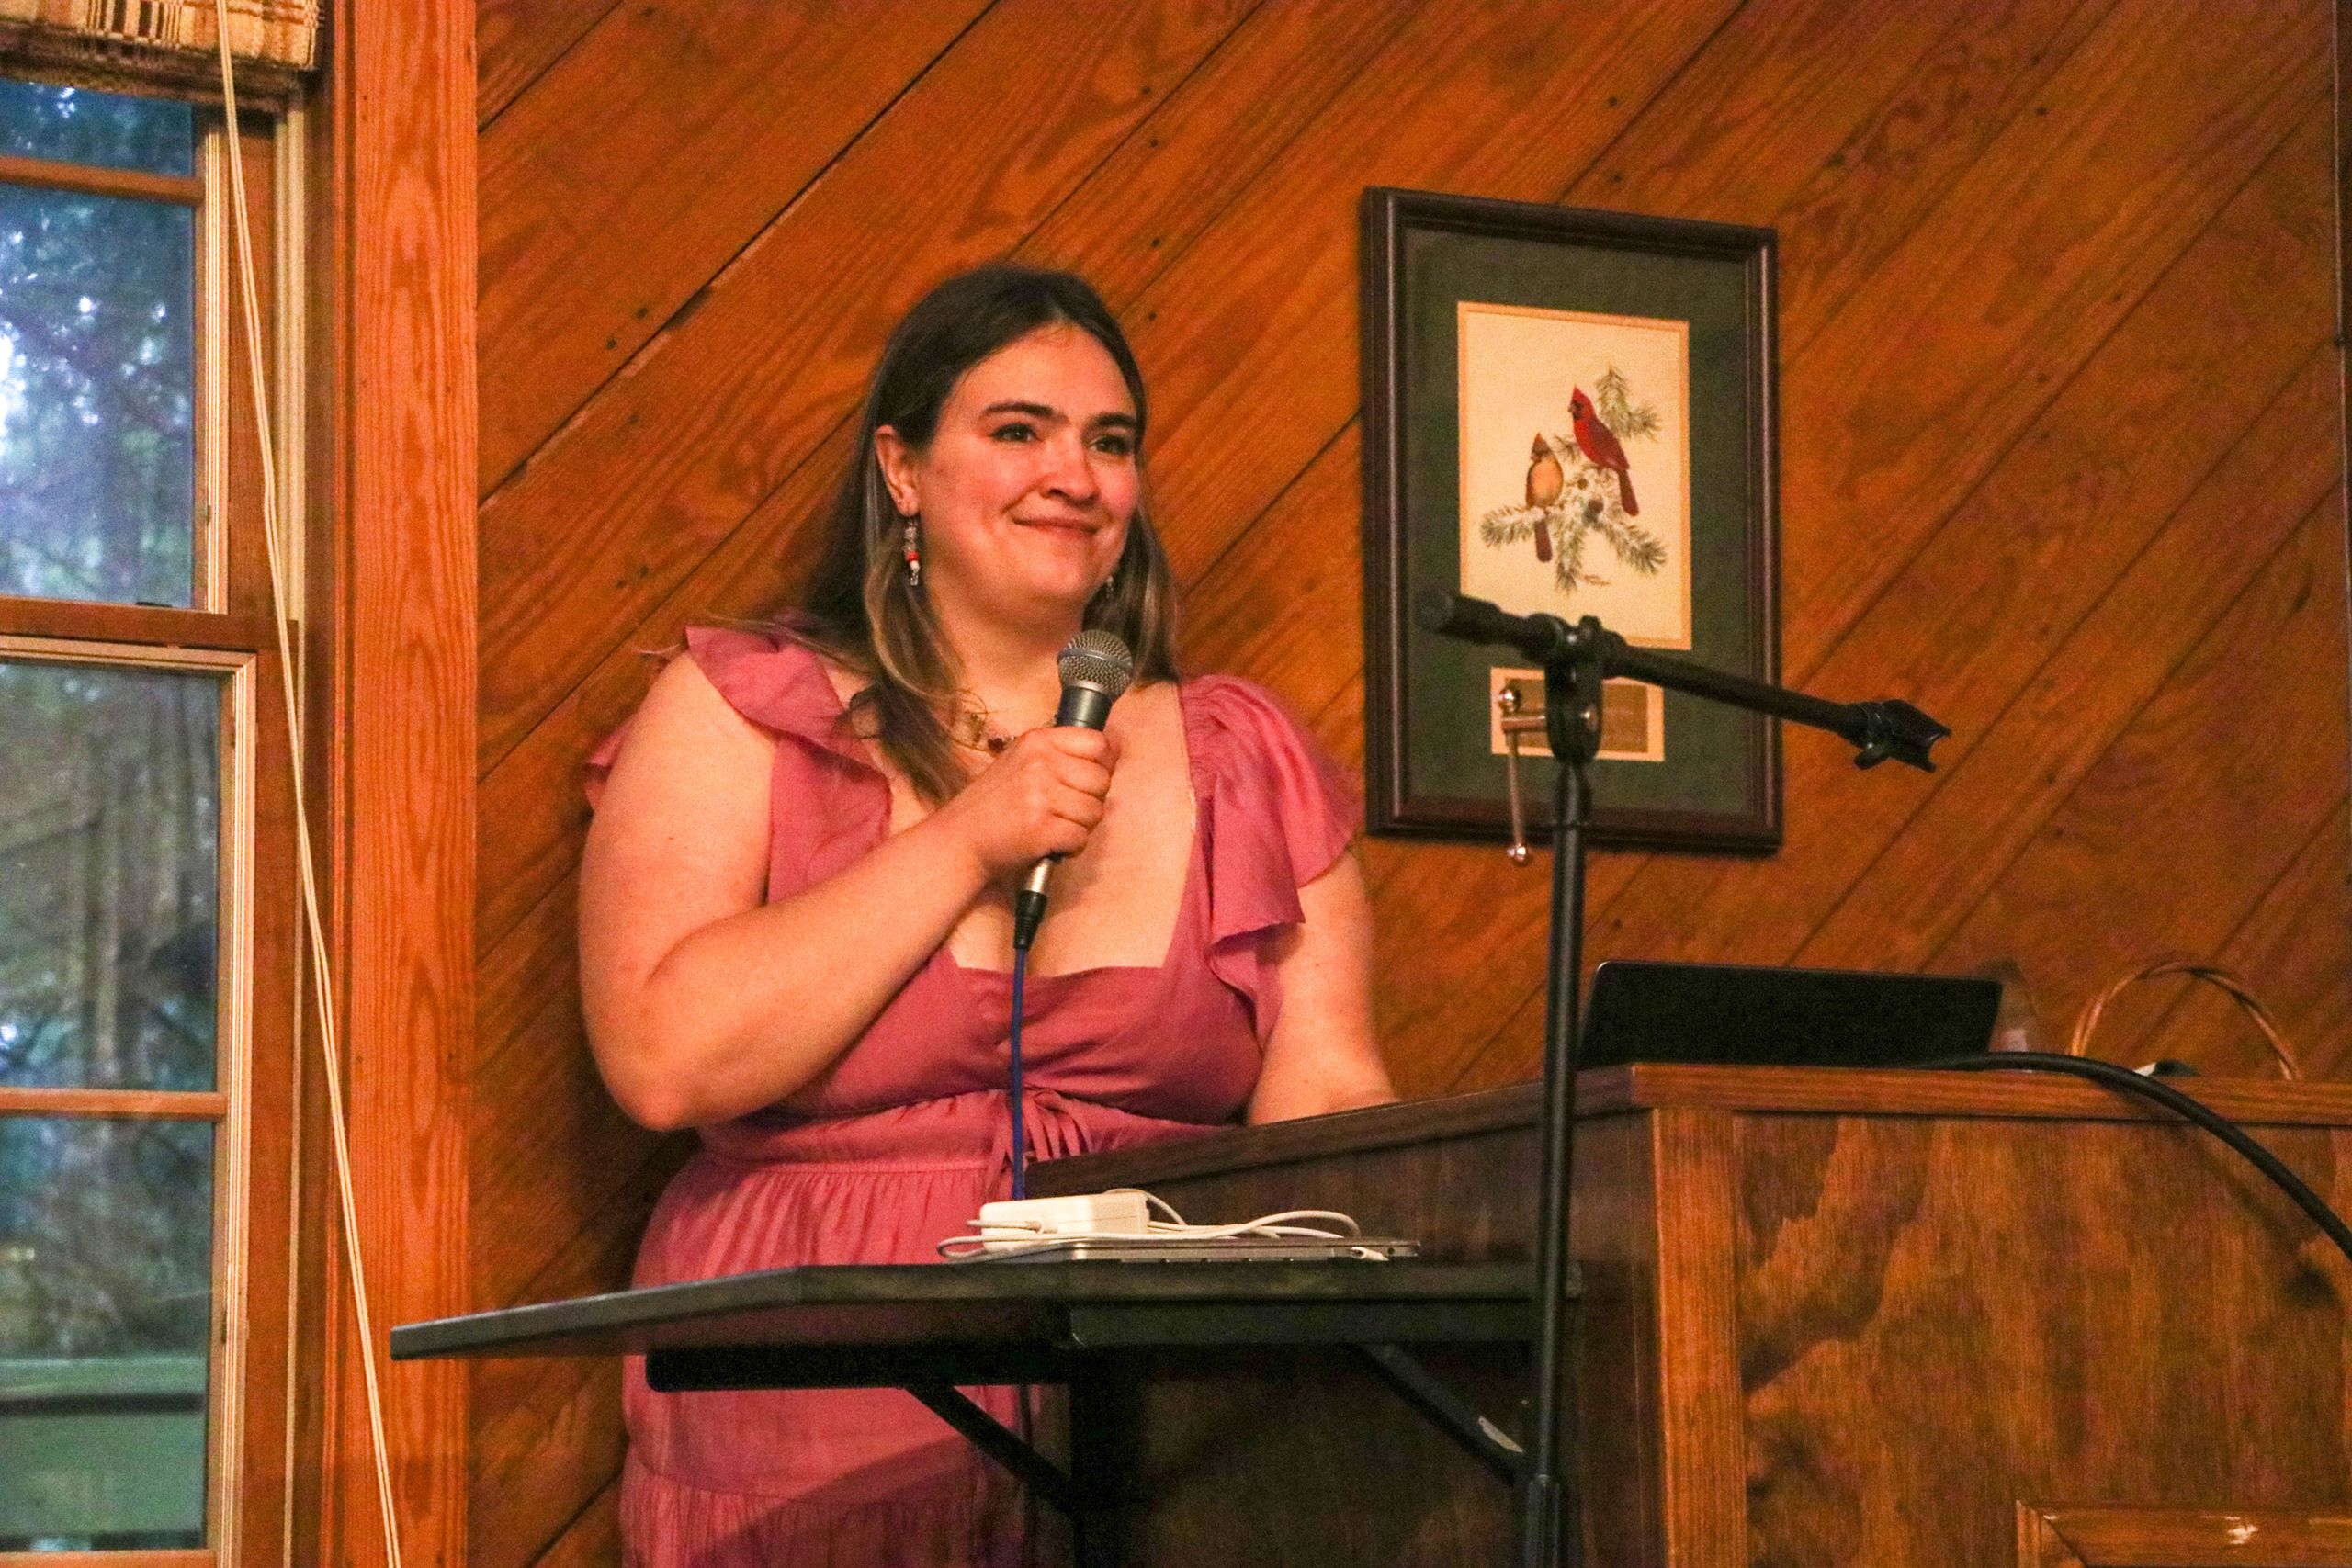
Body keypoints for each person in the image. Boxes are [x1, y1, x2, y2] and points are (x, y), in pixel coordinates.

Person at [578, 264, 1398, 1566]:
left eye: (1110, 443)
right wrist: (970, 836)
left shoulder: (1241, 753)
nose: (1075, 475)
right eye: (1020, 430)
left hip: (1167, 1421)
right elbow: (662, 1060)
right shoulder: (743, 708)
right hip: (815, 1416)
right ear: (901, 469)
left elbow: (1330, 1104)